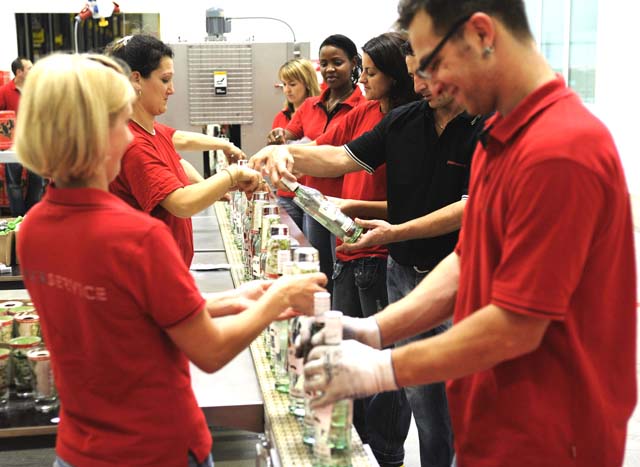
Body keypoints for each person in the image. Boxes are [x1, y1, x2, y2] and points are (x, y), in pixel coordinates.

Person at [303, 1, 637, 467]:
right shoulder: (501, 136)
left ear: (481, 35)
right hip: (492, 419)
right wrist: (375, 329)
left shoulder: (559, 150)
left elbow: (516, 325)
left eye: (434, 65)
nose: (428, 85)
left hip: (548, 437)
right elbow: (467, 260)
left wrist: (383, 369)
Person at [14, 52, 327, 467]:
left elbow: (122, 314)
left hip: (78, 449)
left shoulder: (33, 230)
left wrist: (235, 299)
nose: (128, 138)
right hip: (158, 449)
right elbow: (210, 351)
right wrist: (279, 298)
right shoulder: (139, 237)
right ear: (95, 135)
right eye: (119, 122)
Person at [251, 39, 484, 467]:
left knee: (468, 407)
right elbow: (340, 157)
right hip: (404, 273)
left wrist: (394, 232)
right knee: (425, 408)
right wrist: (287, 152)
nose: (418, 85)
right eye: (412, 75)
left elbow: (470, 208)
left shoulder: (484, 128)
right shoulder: (405, 120)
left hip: (460, 277)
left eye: (425, 75)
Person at [311, 31, 419, 467]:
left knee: (388, 366)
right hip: (350, 249)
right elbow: (330, 153)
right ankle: (356, 443)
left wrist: (353, 205)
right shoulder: (369, 113)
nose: (362, 79)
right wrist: (280, 156)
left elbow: (415, 208)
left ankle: (385, 451)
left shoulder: (411, 122)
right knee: (348, 354)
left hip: (380, 252)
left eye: (370, 72)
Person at [106, 34, 262, 266]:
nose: (172, 89)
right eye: (165, 80)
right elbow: (181, 203)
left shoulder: (151, 131)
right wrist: (232, 174)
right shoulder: (134, 144)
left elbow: (177, 162)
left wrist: (215, 186)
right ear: (136, 79)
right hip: (147, 273)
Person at [269, 34, 366, 293]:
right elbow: (291, 133)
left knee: (342, 272)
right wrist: (280, 137)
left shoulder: (362, 107)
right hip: (312, 199)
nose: (330, 69)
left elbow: (345, 154)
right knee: (317, 271)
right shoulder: (311, 105)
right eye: (324, 63)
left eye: (337, 62)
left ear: (354, 63)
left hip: (343, 204)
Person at [270, 58, 321, 230]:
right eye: (284, 84)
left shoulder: (320, 114)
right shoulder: (281, 117)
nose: (287, 90)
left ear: (307, 83)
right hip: (286, 193)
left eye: (292, 84)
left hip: (313, 194)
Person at [0, 56, 43, 216]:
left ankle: (31, 215)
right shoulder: (4, 92)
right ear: (19, 72)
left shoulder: (36, 90)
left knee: (37, 180)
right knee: (13, 182)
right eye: (29, 68)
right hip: (13, 145)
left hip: (34, 142)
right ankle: (18, 217)